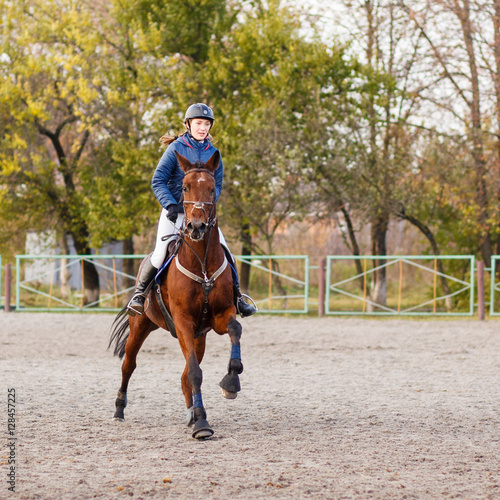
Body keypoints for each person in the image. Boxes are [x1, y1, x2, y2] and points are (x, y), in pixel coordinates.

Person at [127, 103, 257, 318]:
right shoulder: (176, 148)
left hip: (203, 217)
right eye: (198, 123)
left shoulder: (214, 153)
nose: (203, 127)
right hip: (174, 212)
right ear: (188, 125)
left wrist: (205, 211)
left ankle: (238, 298)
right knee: (160, 254)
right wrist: (169, 204)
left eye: (206, 124)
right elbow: (157, 180)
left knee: (226, 253)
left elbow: (217, 186)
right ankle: (139, 296)